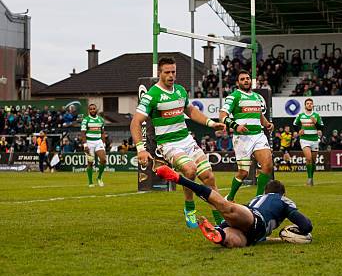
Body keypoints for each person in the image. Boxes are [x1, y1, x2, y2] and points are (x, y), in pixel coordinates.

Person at [130, 56, 226, 228]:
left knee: (208, 177)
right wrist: (140, 149)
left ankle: (220, 216)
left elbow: (190, 110)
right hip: (168, 144)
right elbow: (135, 122)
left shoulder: (180, 90)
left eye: (173, 72)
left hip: (187, 140)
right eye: (167, 72)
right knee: (190, 170)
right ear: (159, 73)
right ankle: (189, 207)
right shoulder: (152, 95)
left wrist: (211, 123)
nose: (171, 75)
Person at [156, 166, 312, 248]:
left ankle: (219, 233)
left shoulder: (257, 199)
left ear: (265, 192)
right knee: (226, 209)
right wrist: (294, 231)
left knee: (227, 213)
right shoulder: (283, 200)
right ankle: (179, 179)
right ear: (283, 193)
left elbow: (238, 216)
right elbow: (306, 225)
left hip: (251, 219)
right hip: (255, 228)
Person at [219, 70, 274, 201]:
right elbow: (222, 116)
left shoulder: (257, 97)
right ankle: (230, 197)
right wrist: (235, 126)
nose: (246, 80)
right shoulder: (234, 96)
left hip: (258, 135)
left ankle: (258, 198)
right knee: (243, 173)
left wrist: (267, 124)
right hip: (242, 138)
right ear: (238, 83)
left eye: (248, 78)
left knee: (268, 165)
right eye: (242, 79)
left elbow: (259, 115)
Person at [293, 98, 324, 186]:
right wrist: (299, 130)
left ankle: (311, 177)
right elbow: (295, 124)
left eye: (311, 103)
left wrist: (316, 123)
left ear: (313, 105)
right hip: (304, 140)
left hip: (314, 139)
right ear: (305, 105)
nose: (309, 105)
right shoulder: (301, 115)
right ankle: (309, 179)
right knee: (309, 158)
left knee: (313, 160)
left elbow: (321, 127)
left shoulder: (316, 115)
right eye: (308, 103)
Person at [81, 104, 107, 187]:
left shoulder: (101, 120)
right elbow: (83, 133)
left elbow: (103, 132)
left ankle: (99, 178)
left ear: (96, 110)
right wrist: (85, 145)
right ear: (89, 110)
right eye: (91, 109)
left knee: (103, 160)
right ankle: (90, 182)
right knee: (90, 162)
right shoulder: (86, 120)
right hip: (89, 143)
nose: (92, 110)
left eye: (94, 109)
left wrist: (103, 143)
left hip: (98, 142)